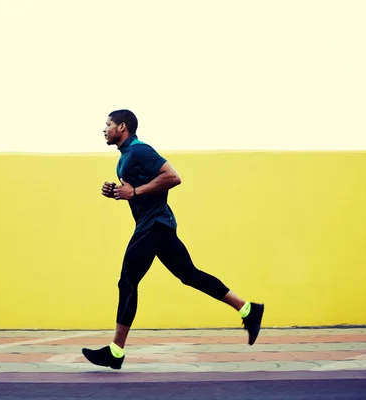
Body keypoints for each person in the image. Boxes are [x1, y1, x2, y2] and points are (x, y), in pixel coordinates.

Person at [82, 109, 264, 370]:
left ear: (122, 127)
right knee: (189, 275)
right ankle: (248, 309)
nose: (104, 129)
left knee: (127, 282)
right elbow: (138, 192)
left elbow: (173, 177)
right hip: (159, 225)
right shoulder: (125, 158)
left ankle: (115, 351)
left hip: (153, 226)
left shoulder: (140, 150)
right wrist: (118, 192)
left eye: (108, 124)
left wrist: (134, 191)